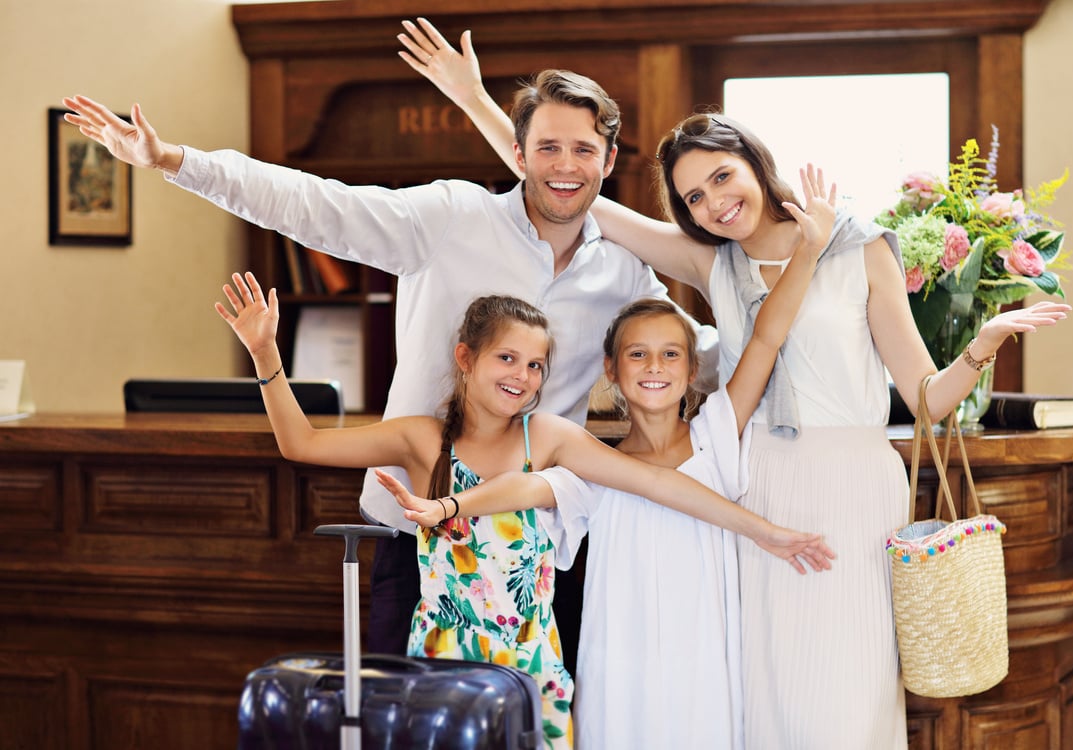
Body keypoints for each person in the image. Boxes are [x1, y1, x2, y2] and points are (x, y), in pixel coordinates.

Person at [395, 18, 1072, 749]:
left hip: (855, 483)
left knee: (848, 692)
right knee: (764, 699)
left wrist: (981, 347)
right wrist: (473, 99)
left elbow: (929, 399)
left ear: (753, 161)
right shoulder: (716, 264)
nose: (714, 203)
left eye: (721, 177)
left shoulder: (860, 246)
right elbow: (572, 186)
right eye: (692, 198)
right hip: (755, 480)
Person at [61, 73, 720, 665]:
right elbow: (314, 205)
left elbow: (693, 355)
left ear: (608, 158)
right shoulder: (450, 215)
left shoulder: (625, 269)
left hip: (538, 551)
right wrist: (172, 159)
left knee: (531, 731)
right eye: (548, 147)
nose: (565, 167)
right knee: (405, 723)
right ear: (517, 154)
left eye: (582, 150)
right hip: (416, 535)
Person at [216, 275, 832, 749]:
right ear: (466, 359)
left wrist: (768, 534)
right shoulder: (420, 439)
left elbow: (655, 483)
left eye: (535, 365)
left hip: (531, 665)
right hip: (441, 660)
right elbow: (302, 445)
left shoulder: (551, 438)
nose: (523, 376)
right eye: (507, 359)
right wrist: (266, 355)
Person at [376, 162, 834, 748]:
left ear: (694, 371)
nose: (654, 368)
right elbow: (523, 487)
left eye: (671, 355)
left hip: (705, 663)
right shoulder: (590, 464)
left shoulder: (718, 433)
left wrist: (810, 251)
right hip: (619, 667)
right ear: (610, 371)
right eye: (638, 355)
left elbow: (767, 337)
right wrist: (450, 506)